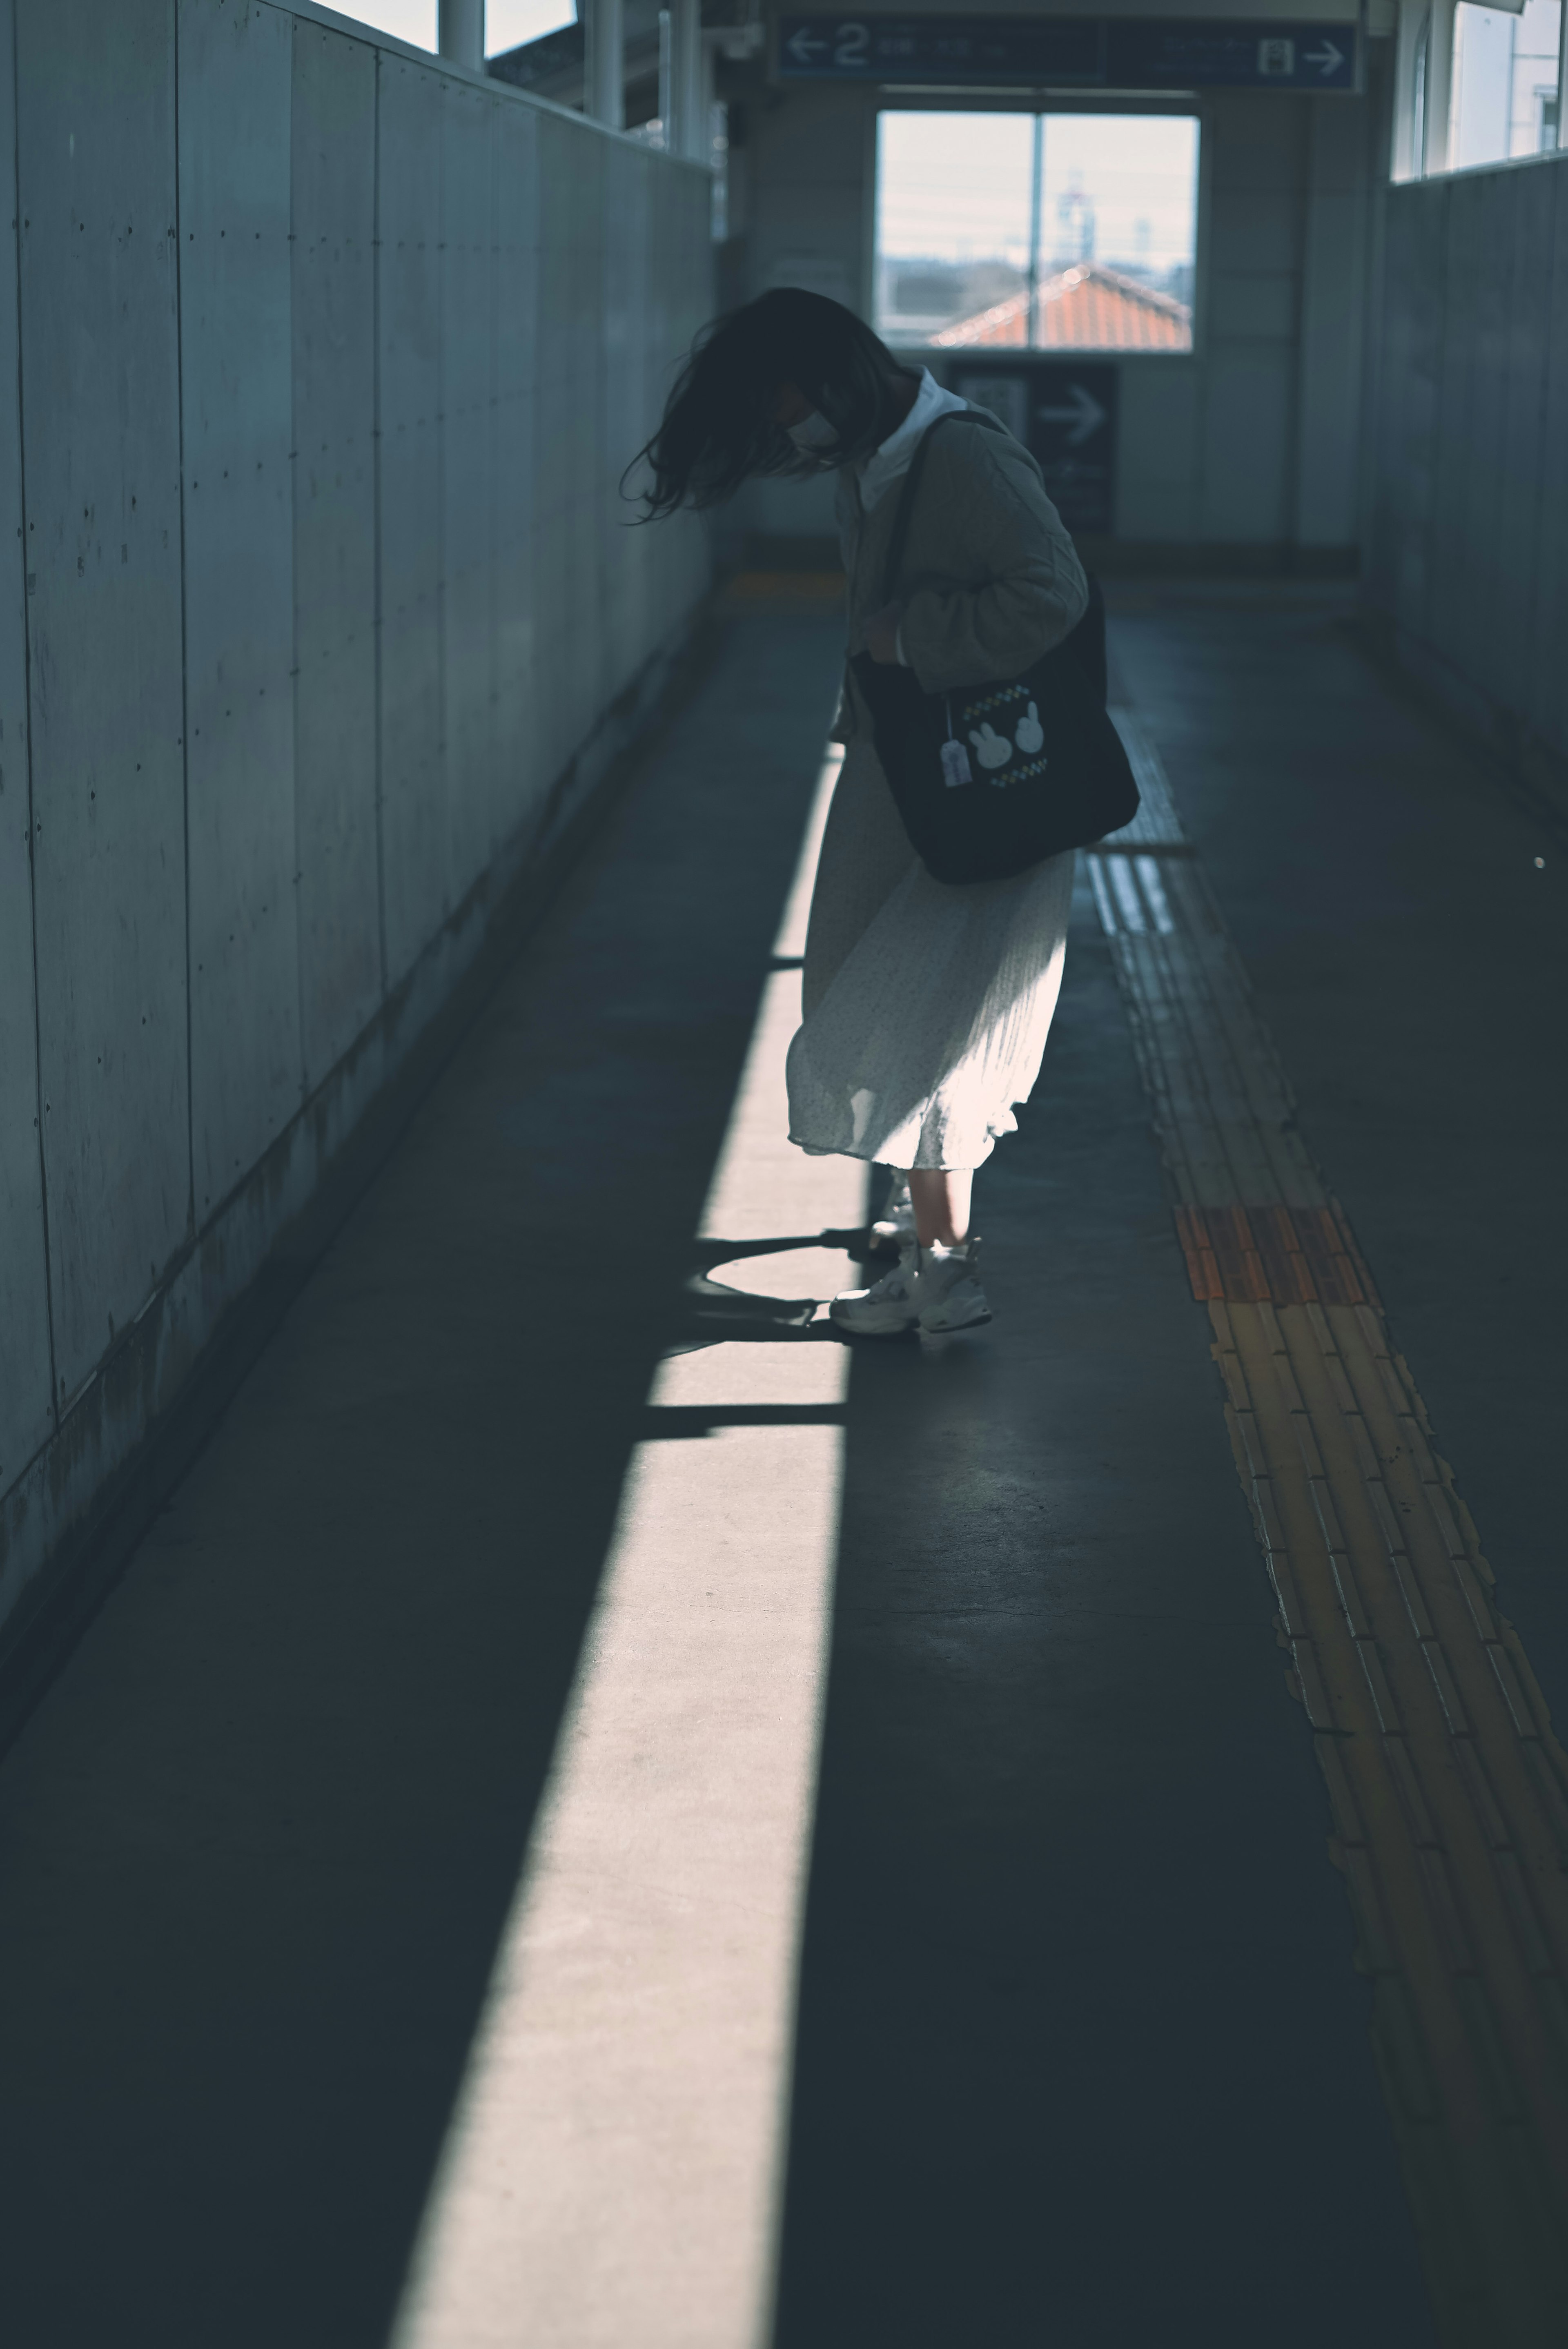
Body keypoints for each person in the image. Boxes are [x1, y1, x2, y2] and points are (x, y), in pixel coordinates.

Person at [635, 287, 1087, 1335]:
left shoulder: (963, 458)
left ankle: (947, 1274)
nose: (789, 428)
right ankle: (923, 1249)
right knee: (866, 990)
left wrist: (905, 640)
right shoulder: (876, 463)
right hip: (915, 773)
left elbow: (1050, 594)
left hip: (981, 788)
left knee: (933, 1013)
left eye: (788, 402)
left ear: (838, 369)